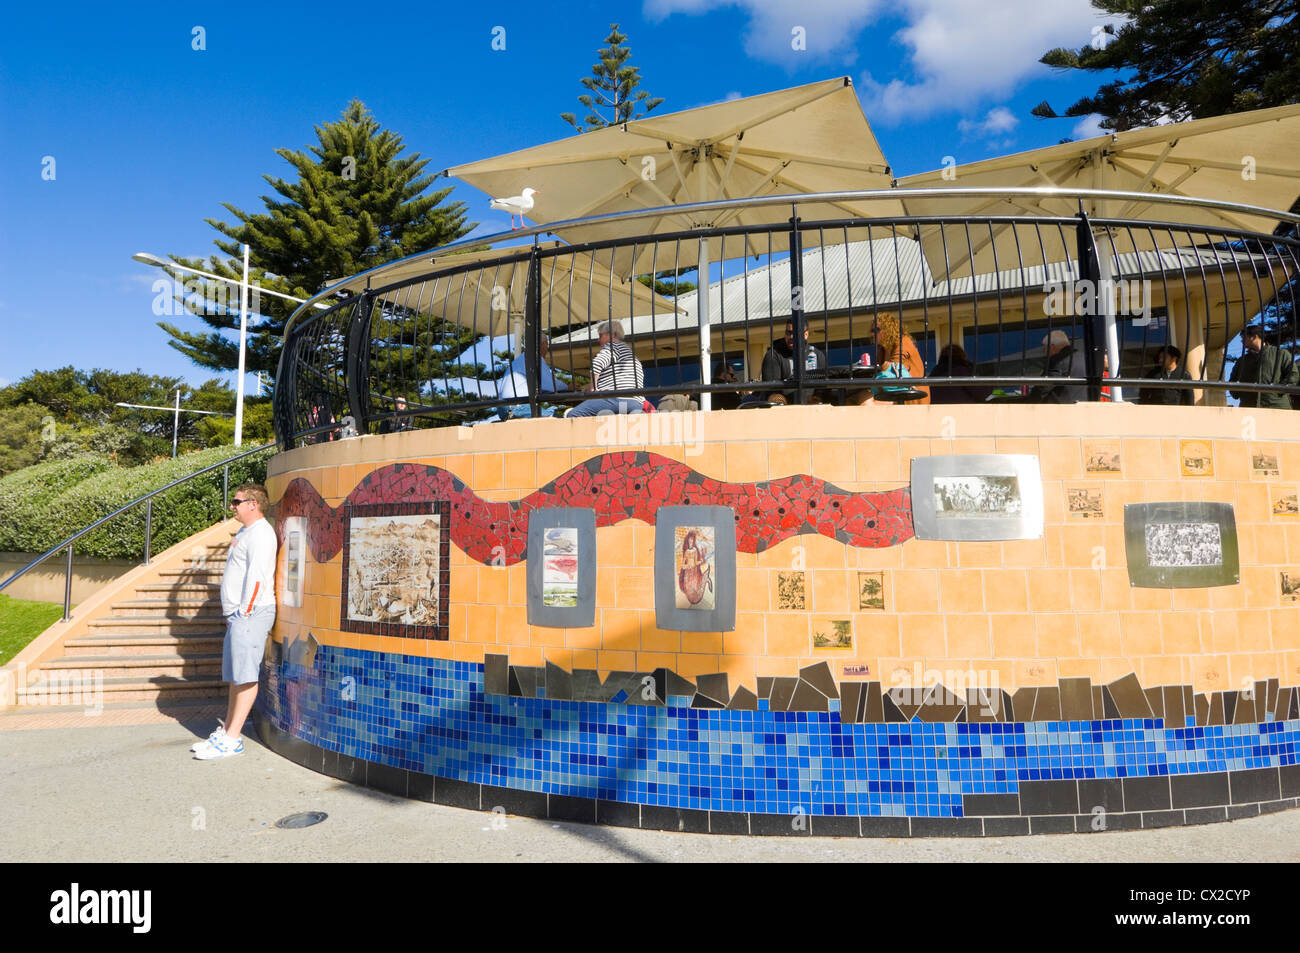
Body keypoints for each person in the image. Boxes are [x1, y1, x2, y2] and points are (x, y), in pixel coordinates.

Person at [192, 484, 278, 759]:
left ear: (253, 504)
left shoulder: (262, 534)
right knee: (236, 677)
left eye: (237, 501)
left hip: (251, 614)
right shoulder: (246, 532)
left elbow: (257, 576)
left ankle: (232, 738)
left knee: (245, 676)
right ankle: (228, 731)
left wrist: (244, 611)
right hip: (239, 616)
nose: (233, 506)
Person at [566, 320, 646, 416]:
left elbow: (597, 363)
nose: (598, 340)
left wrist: (593, 387)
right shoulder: (630, 354)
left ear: (612, 334)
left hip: (615, 399)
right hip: (635, 403)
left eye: (600, 336)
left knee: (572, 415)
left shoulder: (613, 346)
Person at [496, 337, 568, 420]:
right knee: (558, 421)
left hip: (503, 407)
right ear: (543, 344)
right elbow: (550, 384)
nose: (547, 349)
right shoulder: (534, 357)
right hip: (518, 406)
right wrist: (567, 387)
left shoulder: (522, 359)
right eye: (547, 344)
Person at [1229, 325, 1297, 409]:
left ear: (1254, 337)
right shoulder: (1241, 361)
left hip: (1277, 406)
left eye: (1244, 338)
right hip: (1248, 408)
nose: (1242, 341)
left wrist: (1278, 392)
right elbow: (1233, 381)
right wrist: (1237, 393)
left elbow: (1292, 374)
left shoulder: (1281, 354)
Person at [872, 312, 929, 404]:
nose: (873, 334)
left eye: (876, 330)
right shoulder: (882, 351)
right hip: (892, 393)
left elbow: (895, 368)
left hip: (911, 397)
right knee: (855, 398)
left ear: (888, 329)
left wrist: (882, 368)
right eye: (872, 331)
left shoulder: (903, 342)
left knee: (868, 403)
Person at [1029, 330, 1088, 403]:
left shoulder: (1057, 361)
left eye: (1045, 348)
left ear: (1052, 347)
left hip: (1061, 409)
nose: (1044, 352)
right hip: (1085, 407)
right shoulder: (1085, 358)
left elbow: (1043, 387)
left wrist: (1029, 401)